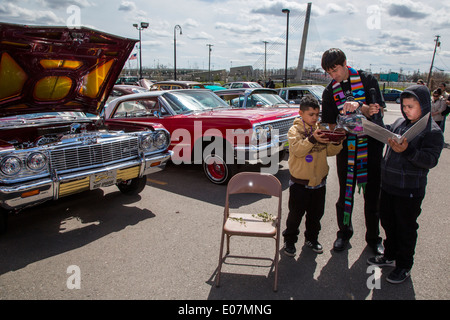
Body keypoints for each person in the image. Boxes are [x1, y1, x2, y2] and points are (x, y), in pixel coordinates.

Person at [367, 85, 444, 283]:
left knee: (405, 228)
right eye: (404, 106)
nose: (406, 110)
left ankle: (404, 265)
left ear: (425, 105)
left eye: (411, 106)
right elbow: (385, 132)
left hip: (409, 191)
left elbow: (430, 160)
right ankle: (390, 255)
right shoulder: (401, 122)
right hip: (388, 186)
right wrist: (374, 119)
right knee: (388, 223)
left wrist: (408, 151)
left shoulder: (432, 131)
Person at [320, 48, 385, 254]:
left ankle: (374, 238)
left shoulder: (366, 80)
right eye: (329, 73)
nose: (334, 76)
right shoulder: (330, 91)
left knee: (373, 195)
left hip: (370, 147)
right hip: (346, 150)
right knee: (345, 193)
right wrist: (341, 124)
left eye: (335, 70)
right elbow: (329, 124)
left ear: (345, 63)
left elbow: (379, 110)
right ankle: (344, 233)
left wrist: (361, 107)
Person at [283, 96, 344, 256]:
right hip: (300, 184)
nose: (315, 118)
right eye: (311, 114)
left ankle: (312, 238)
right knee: (295, 215)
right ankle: (289, 240)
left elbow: (329, 151)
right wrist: (312, 138)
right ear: (301, 113)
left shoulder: (321, 128)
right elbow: (298, 150)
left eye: (317, 114)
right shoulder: (294, 131)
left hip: (319, 183)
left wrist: (337, 142)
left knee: (316, 215)